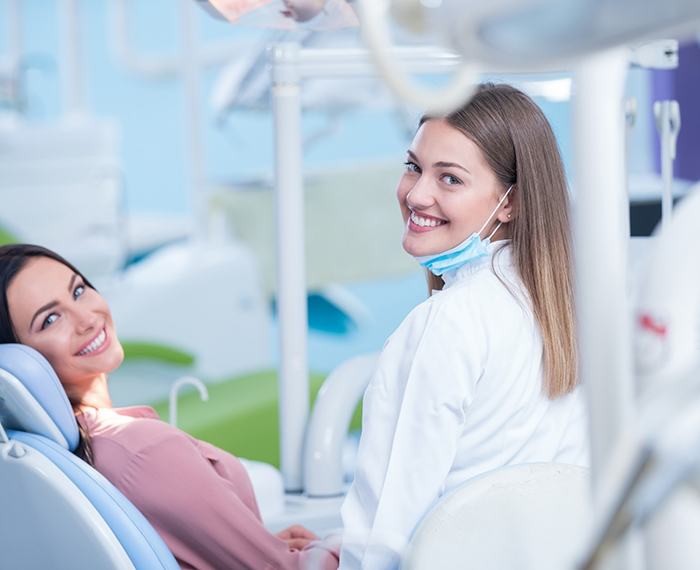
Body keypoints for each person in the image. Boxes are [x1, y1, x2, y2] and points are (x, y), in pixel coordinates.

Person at [339, 83, 589, 569]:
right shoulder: (564, 311)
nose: (417, 194)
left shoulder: (447, 323)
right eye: (413, 166)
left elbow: (389, 529)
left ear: (510, 203)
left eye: (449, 179)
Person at [0, 243, 338, 570]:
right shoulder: (141, 450)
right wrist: (348, 543)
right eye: (50, 319)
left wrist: (253, 546)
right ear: (22, 359)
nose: (86, 318)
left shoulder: (51, 458)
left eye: (78, 291)